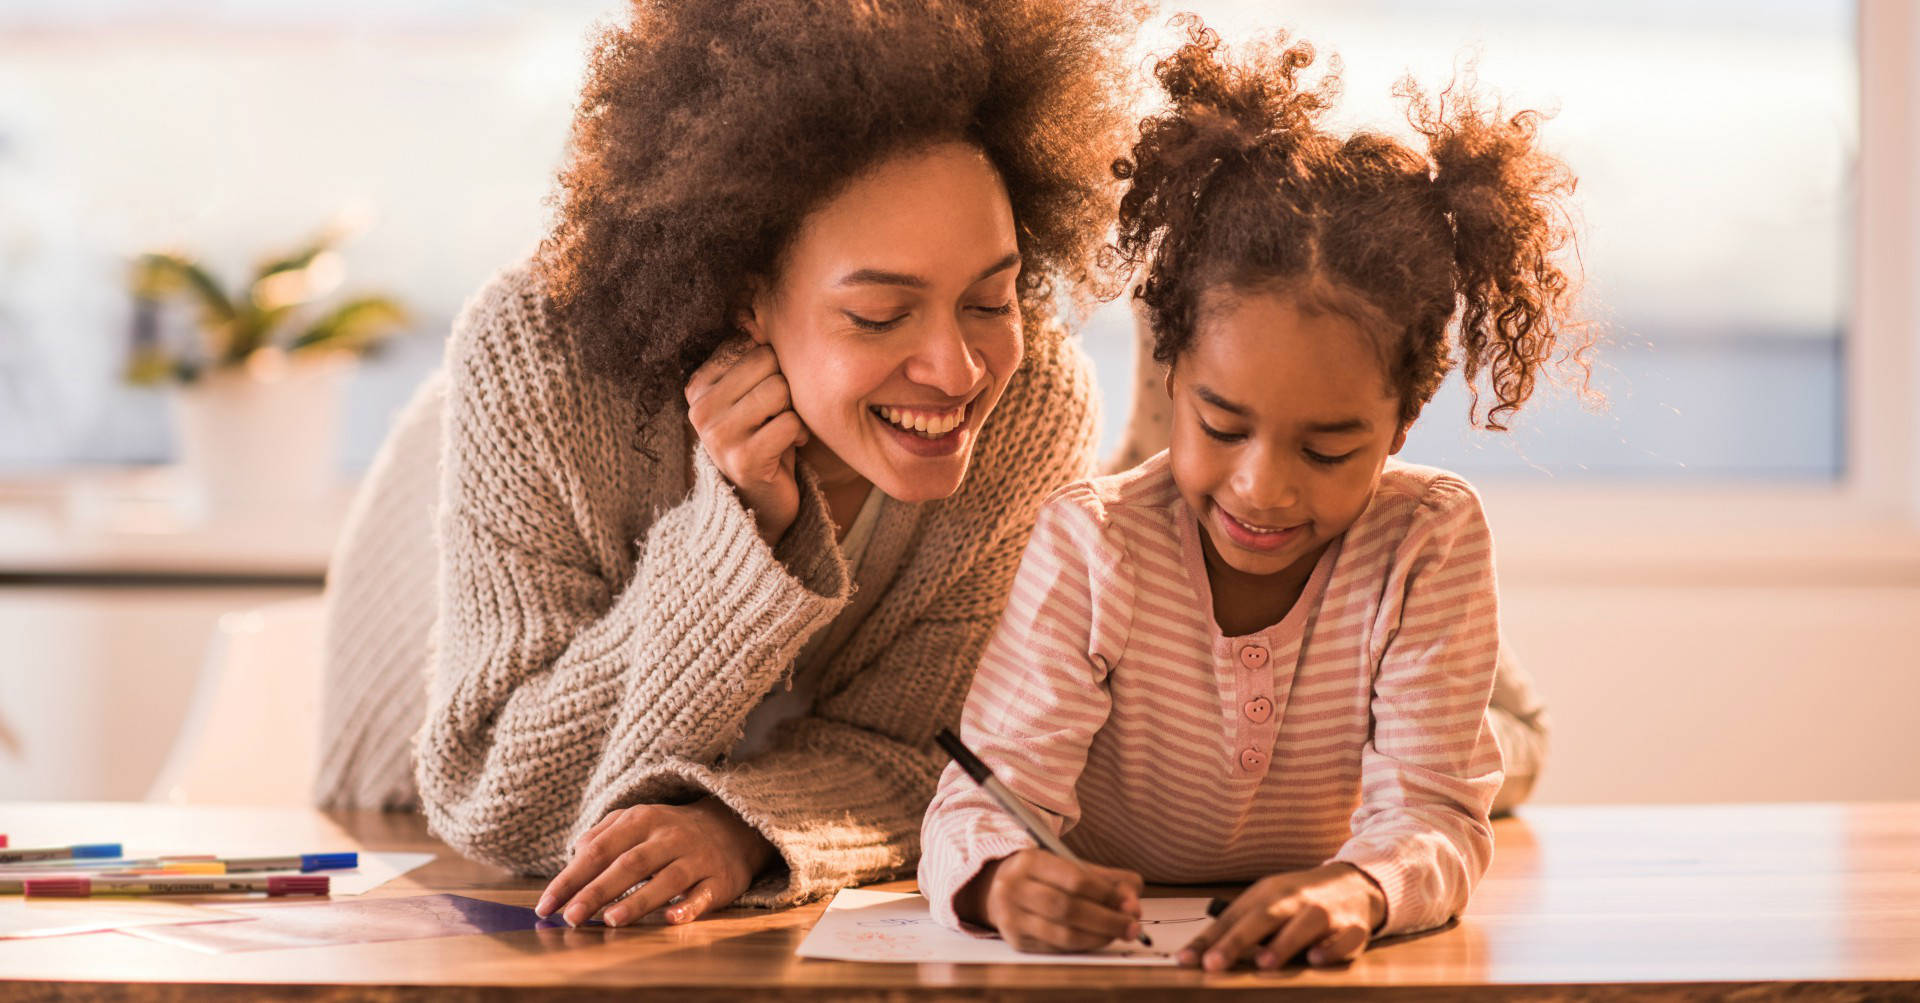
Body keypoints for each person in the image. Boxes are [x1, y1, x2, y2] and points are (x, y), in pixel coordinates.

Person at [311, 0, 1137, 927]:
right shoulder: (541, 355)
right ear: (746, 295)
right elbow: (504, 802)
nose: (957, 370)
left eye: (990, 298)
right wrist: (738, 531)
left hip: (717, 872)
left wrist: (743, 827)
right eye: (878, 315)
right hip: (413, 843)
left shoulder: (1031, 403)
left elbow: (942, 754)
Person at [919, 19, 1588, 970]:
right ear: (1172, 377)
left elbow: (1434, 813)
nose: (1262, 488)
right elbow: (976, 803)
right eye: (1223, 427)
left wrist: (1360, 886)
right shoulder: (1093, 542)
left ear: (1402, 423)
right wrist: (1004, 878)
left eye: (1327, 448)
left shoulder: (1427, 539)